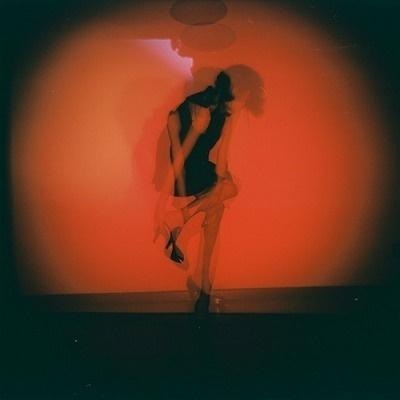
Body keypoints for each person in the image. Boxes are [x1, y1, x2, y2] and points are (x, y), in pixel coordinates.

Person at [154, 68, 262, 313]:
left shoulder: (228, 113)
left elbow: (222, 155)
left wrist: (219, 185)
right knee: (228, 191)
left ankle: (204, 289)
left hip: (203, 168)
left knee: (217, 213)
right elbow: (179, 156)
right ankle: (203, 288)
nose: (242, 105)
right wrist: (162, 202)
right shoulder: (199, 108)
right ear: (232, 91)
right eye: (242, 98)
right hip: (184, 173)